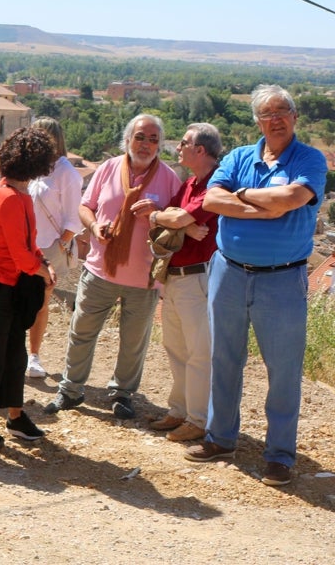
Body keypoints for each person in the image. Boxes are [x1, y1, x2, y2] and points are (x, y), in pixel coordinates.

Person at [186, 85, 326, 487]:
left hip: (282, 279)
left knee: (283, 371)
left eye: (283, 111)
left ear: (295, 117)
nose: (276, 119)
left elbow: (290, 198)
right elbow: (211, 201)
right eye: (267, 114)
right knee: (224, 359)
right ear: (257, 121)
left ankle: (280, 456)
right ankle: (220, 439)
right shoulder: (238, 156)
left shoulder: (310, 159)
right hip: (228, 272)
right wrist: (263, 206)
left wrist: (243, 195)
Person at [45, 113, 181, 420]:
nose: (146, 144)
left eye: (153, 139)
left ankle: (122, 393)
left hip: (143, 276)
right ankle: (70, 390)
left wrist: (158, 212)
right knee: (82, 331)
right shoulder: (108, 168)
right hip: (99, 270)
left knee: (133, 342)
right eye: (140, 137)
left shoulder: (169, 178)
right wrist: (94, 228)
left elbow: (178, 219)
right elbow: (85, 206)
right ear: (128, 139)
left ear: (159, 145)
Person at [0, 127, 58, 446]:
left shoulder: (16, 191)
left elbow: (27, 244)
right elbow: (20, 255)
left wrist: (42, 261)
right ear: (39, 164)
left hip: (10, 282)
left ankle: (15, 416)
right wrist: (43, 273)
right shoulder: (9, 196)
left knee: (15, 353)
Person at [147, 123, 221, 443]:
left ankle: (198, 419)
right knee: (175, 347)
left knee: (198, 352)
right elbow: (169, 215)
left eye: (184, 144)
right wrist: (178, 223)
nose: (178, 149)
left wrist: (171, 220)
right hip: (176, 278)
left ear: (200, 150)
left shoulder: (216, 184)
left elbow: (171, 218)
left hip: (198, 277)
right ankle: (179, 411)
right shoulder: (190, 183)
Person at [25, 117, 83, 379]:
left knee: (39, 302)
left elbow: (74, 218)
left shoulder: (66, 173)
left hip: (49, 247)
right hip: (24, 243)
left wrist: (58, 246)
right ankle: (16, 352)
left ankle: (33, 357)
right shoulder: (31, 168)